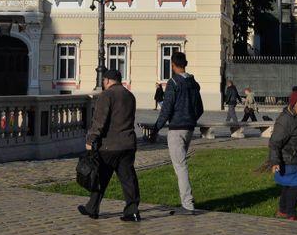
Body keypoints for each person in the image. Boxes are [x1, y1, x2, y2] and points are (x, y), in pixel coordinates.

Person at [78, 69, 141, 222]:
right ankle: (132, 211)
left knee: (100, 177)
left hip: (109, 145)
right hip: (128, 143)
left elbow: (99, 121)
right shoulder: (129, 95)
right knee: (128, 179)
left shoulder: (106, 95)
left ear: (106, 81)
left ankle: (92, 208)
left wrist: (90, 140)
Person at [151, 51, 203, 216]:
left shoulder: (173, 83)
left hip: (176, 129)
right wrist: (191, 119)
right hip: (189, 128)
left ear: (173, 65)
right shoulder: (193, 83)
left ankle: (187, 204)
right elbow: (200, 108)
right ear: (185, 64)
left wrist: (156, 128)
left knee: (180, 167)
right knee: (181, 165)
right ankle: (187, 202)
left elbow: (166, 109)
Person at [268, 90, 297, 221]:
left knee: (288, 185)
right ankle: (291, 214)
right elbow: (275, 142)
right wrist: (275, 161)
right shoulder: (285, 120)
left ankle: (283, 211)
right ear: (292, 105)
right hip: (287, 157)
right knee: (295, 185)